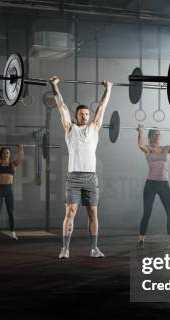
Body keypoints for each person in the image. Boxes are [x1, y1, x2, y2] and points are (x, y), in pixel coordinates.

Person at [49, 76, 112, 259]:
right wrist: (54, 86)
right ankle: (65, 249)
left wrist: (108, 89)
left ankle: (94, 248)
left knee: (93, 212)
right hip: (74, 178)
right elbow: (61, 107)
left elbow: (102, 108)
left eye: (86, 114)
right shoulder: (70, 129)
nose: (84, 116)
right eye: (81, 114)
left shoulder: (94, 128)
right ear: (76, 116)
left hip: (91, 178)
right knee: (71, 212)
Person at [137, 125, 170, 248]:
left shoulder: (166, 149)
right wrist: (141, 132)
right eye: (155, 133)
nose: (158, 135)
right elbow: (140, 145)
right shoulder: (148, 149)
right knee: (147, 213)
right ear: (151, 136)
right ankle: (141, 240)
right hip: (151, 184)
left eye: (159, 133)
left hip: (164, 184)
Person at [0, 143, 24, 240]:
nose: (6, 154)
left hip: (9, 191)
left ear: (9, 154)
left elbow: (21, 158)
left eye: (8, 153)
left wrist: (20, 148)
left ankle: (12, 232)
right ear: (1, 154)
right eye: (4, 153)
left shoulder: (13, 164)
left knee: (10, 212)